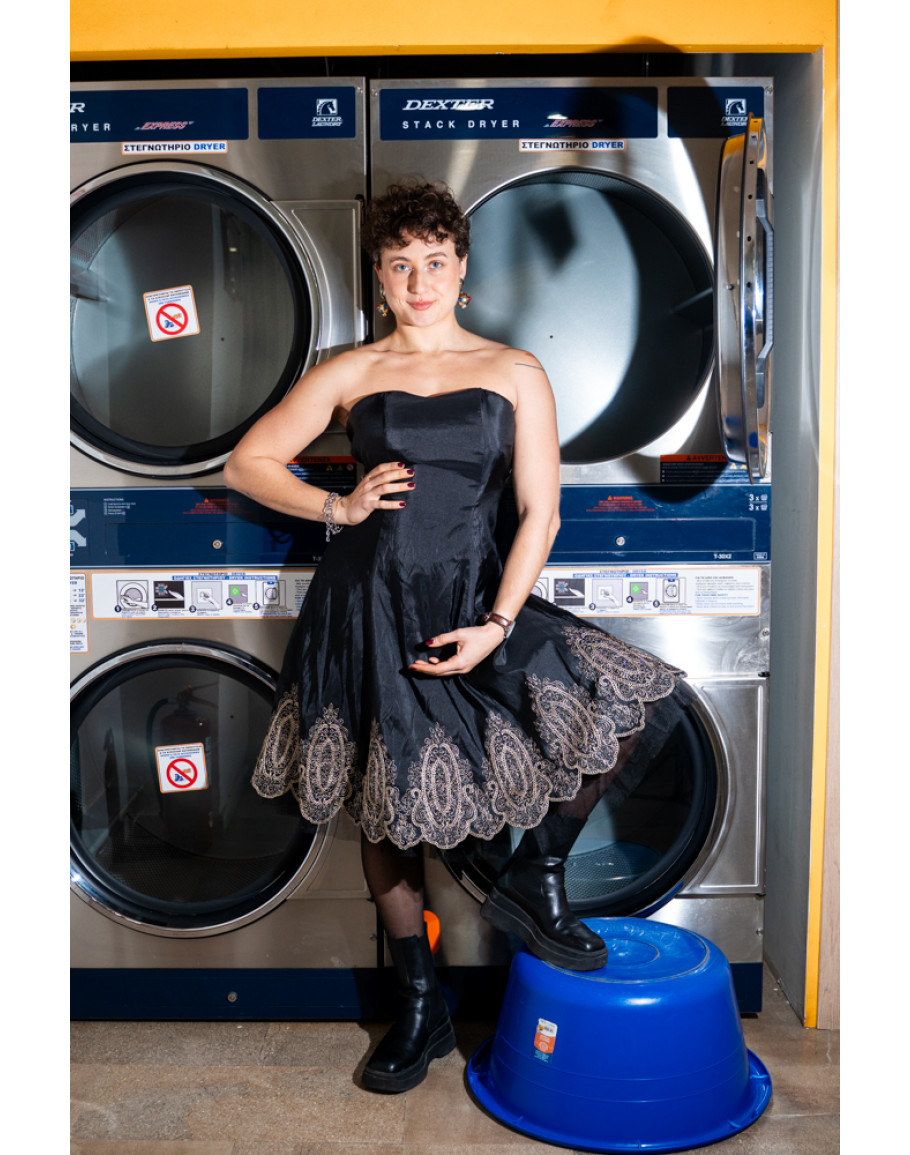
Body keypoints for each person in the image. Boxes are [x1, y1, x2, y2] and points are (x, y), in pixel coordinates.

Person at [224, 180, 692, 1094]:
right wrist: (336, 504)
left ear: (461, 268)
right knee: (389, 804)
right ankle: (419, 1003)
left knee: (625, 700)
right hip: (368, 605)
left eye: (434, 261)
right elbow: (249, 462)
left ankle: (534, 876)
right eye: (400, 264)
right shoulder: (351, 372)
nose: (419, 281)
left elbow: (540, 512)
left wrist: (499, 625)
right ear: (379, 276)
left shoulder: (515, 369)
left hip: (476, 599)